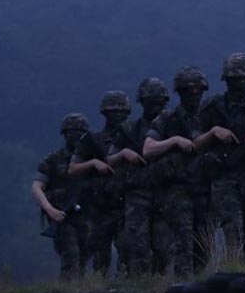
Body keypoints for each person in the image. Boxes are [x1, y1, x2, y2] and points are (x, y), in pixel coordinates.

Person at [143, 66, 213, 276]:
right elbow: (148, 149)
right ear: (180, 93)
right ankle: (184, 290)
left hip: (205, 188)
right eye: (189, 90)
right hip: (178, 190)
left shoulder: (210, 115)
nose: (194, 94)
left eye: (198, 90)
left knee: (204, 246)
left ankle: (199, 288)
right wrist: (173, 141)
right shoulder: (167, 118)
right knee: (183, 243)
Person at [197, 52, 245, 260]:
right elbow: (195, 143)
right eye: (235, 78)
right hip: (224, 176)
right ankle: (234, 268)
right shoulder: (212, 106)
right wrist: (213, 132)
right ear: (226, 80)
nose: (240, 83)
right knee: (232, 227)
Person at [109, 77, 170, 275]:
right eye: (151, 102)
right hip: (137, 193)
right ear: (142, 102)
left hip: (166, 192)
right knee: (137, 245)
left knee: (163, 247)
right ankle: (139, 285)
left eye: (159, 102)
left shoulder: (173, 125)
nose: (155, 106)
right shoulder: (129, 129)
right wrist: (124, 154)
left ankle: (158, 286)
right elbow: (110, 159)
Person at [68, 90, 130, 275]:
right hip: (100, 205)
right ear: (105, 113)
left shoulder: (133, 136)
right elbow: (73, 169)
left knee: (127, 251)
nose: (117, 115)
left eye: (121, 111)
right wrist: (93, 163)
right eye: (113, 112)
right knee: (100, 256)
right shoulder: (91, 140)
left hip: (126, 202)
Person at [32, 113, 91, 279]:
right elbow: (37, 187)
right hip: (63, 217)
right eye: (72, 132)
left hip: (87, 216)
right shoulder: (54, 160)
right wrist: (50, 210)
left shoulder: (92, 157)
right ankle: (68, 292)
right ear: (65, 134)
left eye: (80, 131)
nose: (76, 135)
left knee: (84, 258)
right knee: (70, 255)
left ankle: (81, 291)